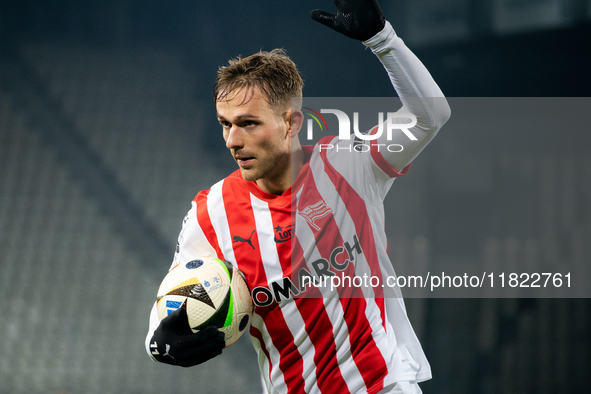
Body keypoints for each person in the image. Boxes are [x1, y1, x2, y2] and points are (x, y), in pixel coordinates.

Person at [145, 0, 450, 393]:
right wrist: (164, 346)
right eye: (226, 124)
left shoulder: (349, 165)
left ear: (291, 122)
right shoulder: (210, 214)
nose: (232, 141)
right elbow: (166, 316)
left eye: (249, 124)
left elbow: (430, 116)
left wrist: (382, 40)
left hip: (383, 384)